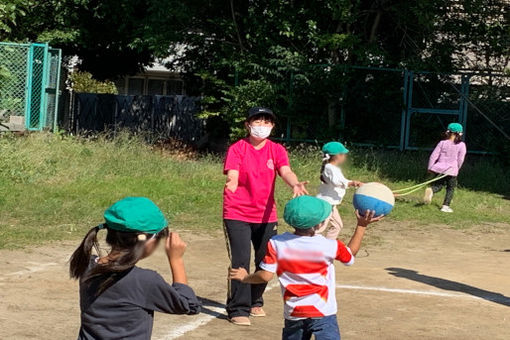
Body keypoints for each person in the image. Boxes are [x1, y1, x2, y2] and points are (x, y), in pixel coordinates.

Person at [229, 195, 382, 340]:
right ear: (320, 224)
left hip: (294, 313)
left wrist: (245, 277)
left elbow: (265, 276)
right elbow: (350, 255)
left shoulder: (276, 243)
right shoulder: (329, 245)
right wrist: (362, 226)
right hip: (323, 314)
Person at [69, 197, 201, 340]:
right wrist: (176, 259)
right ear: (147, 240)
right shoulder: (144, 280)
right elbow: (189, 304)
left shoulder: (87, 265)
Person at [223, 107, 309, 326]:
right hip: (237, 212)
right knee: (241, 260)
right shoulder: (238, 148)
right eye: (257, 121)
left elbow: (286, 171)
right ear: (247, 124)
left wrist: (294, 183)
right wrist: (232, 181)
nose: (262, 126)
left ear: (272, 126)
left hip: (266, 215)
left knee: (266, 260)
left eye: (266, 122)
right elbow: (232, 171)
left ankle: (254, 301)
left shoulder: (276, 150)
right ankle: (237, 308)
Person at [316, 141, 363, 239]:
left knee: (337, 225)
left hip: (331, 204)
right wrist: (352, 183)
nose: (345, 157)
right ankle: (307, 244)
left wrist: (355, 183)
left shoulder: (334, 168)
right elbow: (336, 182)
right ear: (338, 156)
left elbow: (342, 181)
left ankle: (328, 245)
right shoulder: (329, 168)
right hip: (325, 204)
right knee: (319, 228)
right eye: (344, 154)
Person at [423, 123, 467, 213]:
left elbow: (433, 155)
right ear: (459, 134)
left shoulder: (442, 143)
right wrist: (457, 168)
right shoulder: (462, 145)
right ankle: (445, 206)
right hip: (451, 170)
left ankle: (431, 190)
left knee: (438, 186)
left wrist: (430, 167)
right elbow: (460, 159)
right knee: (450, 188)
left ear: (448, 132)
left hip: (439, 168)